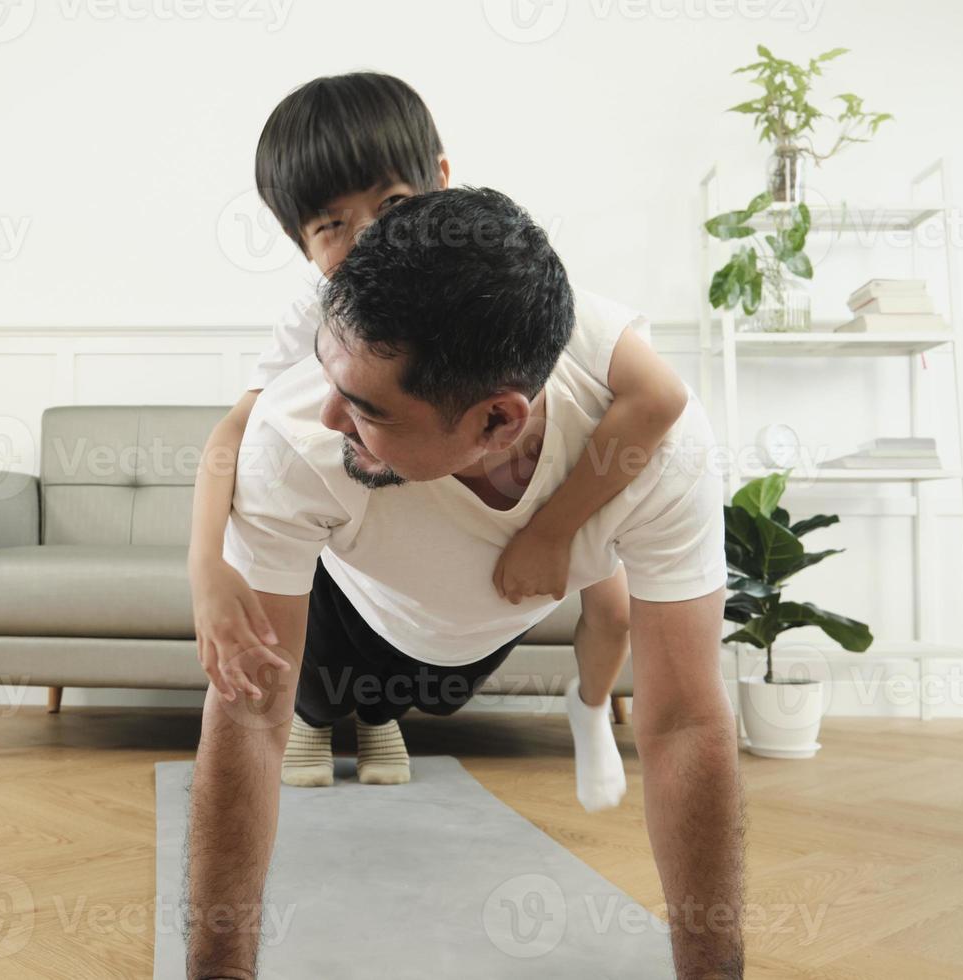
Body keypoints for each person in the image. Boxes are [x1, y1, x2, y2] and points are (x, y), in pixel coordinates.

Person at [185, 187, 745, 980]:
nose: (333, 420)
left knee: (465, 677)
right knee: (309, 696)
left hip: (479, 637)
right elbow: (247, 723)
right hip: (349, 616)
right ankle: (351, 714)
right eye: (329, 378)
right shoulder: (292, 433)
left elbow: (686, 720)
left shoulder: (659, 449)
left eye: (368, 410)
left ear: (496, 422)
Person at [188, 72, 690, 808]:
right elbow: (233, 432)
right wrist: (205, 568)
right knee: (324, 552)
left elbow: (660, 395)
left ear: (443, 182)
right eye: (332, 224)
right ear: (299, 244)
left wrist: (553, 532)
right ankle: (332, 716)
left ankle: (587, 715)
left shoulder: (494, 275)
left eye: (392, 205)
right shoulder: (318, 311)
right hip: (379, 512)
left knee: (612, 608)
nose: (371, 237)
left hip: (524, 488)